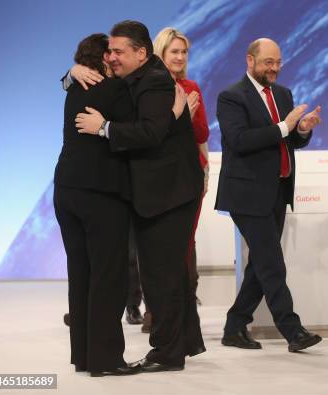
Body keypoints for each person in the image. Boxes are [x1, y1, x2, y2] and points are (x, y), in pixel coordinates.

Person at [74, 20, 205, 372]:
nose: (111, 57)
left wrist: (103, 128)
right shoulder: (138, 78)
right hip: (158, 191)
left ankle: (166, 354)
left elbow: (150, 131)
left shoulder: (156, 81)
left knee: (161, 277)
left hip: (169, 193)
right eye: (110, 51)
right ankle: (177, 347)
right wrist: (71, 72)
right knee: (165, 275)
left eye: (118, 52)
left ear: (141, 53)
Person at [215, 38, 323, 352]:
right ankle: (293, 330)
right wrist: (284, 127)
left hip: (278, 190)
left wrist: (302, 131)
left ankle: (235, 326)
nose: (274, 68)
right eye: (267, 63)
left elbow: (289, 141)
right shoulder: (231, 96)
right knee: (272, 263)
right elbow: (239, 140)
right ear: (250, 60)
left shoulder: (283, 94)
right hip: (246, 193)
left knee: (261, 264)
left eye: (277, 62)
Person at [54, 33, 141, 377]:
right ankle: (107, 360)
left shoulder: (75, 87)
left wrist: (69, 72)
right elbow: (138, 129)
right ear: (104, 59)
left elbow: (65, 82)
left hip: (66, 192)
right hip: (101, 195)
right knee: (108, 277)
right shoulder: (115, 90)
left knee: (81, 275)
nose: (117, 59)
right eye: (113, 54)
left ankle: (85, 357)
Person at [137, 27, 209, 333]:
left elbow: (203, 134)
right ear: (161, 54)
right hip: (156, 175)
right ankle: (155, 310)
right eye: (174, 52)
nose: (180, 57)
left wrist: (189, 117)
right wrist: (177, 115)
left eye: (184, 52)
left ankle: (183, 314)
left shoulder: (191, 86)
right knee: (157, 245)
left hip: (188, 175)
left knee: (184, 243)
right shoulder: (149, 87)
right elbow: (150, 133)